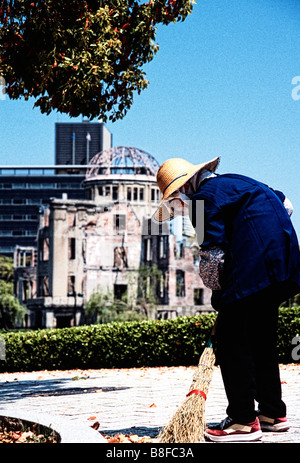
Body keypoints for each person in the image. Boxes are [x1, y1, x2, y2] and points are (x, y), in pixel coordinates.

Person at [152, 156, 300, 443]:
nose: (179, 211)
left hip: (253, 268)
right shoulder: (238, 182)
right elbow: (286, 204)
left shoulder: (202, 200)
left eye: (174, 204)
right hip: (285, 263)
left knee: (232, 341)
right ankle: (272, 414)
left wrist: (220, 295)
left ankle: (243, 421)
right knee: (261, 338)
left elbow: (212, 257)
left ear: (183, 190)